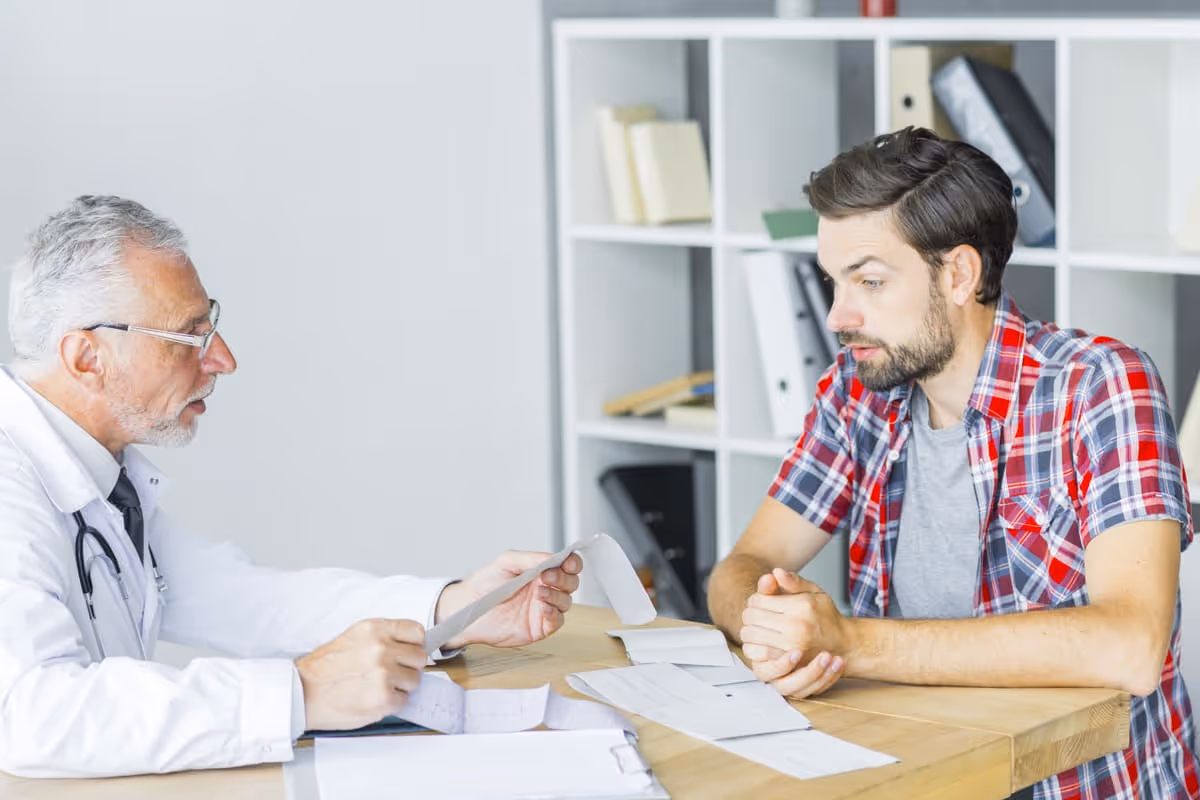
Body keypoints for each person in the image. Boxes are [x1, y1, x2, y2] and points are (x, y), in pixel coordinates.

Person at [0, 195, 582, 778]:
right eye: (188, 337)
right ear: (87, 358)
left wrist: (454, 610)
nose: (223, 360)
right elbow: (30, 716)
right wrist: (299, 691)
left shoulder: (100, 474)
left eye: (213, 326)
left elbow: (245, 599)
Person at [707, 127, 1197, 799]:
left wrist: (847, 640)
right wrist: (772, 626)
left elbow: (1131, 648)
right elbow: (741, 569)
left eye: (870, 281)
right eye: (834, 281)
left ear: (959, 274)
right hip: (922, 771)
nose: (838, 315)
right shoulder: (858, 393)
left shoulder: (1102, 386)